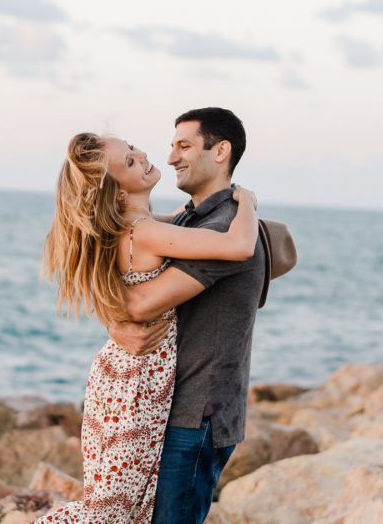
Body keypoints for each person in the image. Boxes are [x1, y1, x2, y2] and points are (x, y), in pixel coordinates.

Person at [38, 128, 259, 523]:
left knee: (118, 504)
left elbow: (173, 227)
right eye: (129, 161)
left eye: (132, 147)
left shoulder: (130, 227)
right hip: (140, 382)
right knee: (112, 510)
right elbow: (240, 247)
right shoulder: (148, 232)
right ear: (119, 193)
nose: (143, 155)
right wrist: (248, 203)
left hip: (118, 374)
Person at [108, 107, 267, 524]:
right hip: (168, 407)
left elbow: (142, 303)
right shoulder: (190, 221)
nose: (172, 157)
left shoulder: (224, 224)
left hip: (197, 414)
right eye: (172, 146)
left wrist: (118, 320)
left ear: (221, 152)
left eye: (184, 146)